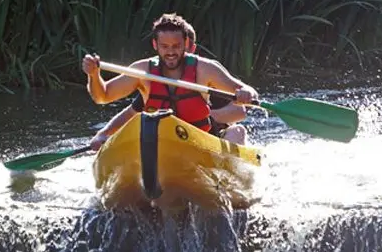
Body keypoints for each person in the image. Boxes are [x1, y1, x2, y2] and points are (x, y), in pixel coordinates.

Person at [82, 13, 259, 151]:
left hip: (200, 142)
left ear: (186, 43)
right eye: (165, 47)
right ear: (155, 45)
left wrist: (247, 93)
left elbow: (246, 90)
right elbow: (102, 96)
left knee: (237, 132)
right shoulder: (142, 71)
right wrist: (94, 75)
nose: (171, 52)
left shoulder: (205, 69)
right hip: (159, 143)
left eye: (176, 46)